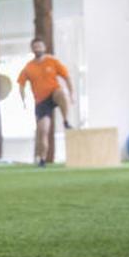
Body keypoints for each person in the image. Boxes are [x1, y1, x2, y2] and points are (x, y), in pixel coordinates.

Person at [17, 38, 76, 168]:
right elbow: (21, 84)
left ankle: (66, 121)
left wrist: (72, 94)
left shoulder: (52, 61)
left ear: (44, 47)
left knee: (62, 93)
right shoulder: (29, 67)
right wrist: (23, 100)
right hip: (41, 101)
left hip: (54, 94)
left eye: (40, 46)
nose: (38, 48)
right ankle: (42, 160)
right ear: (32, 49)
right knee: (43, 130)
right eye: (35, 46)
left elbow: (66, 77)